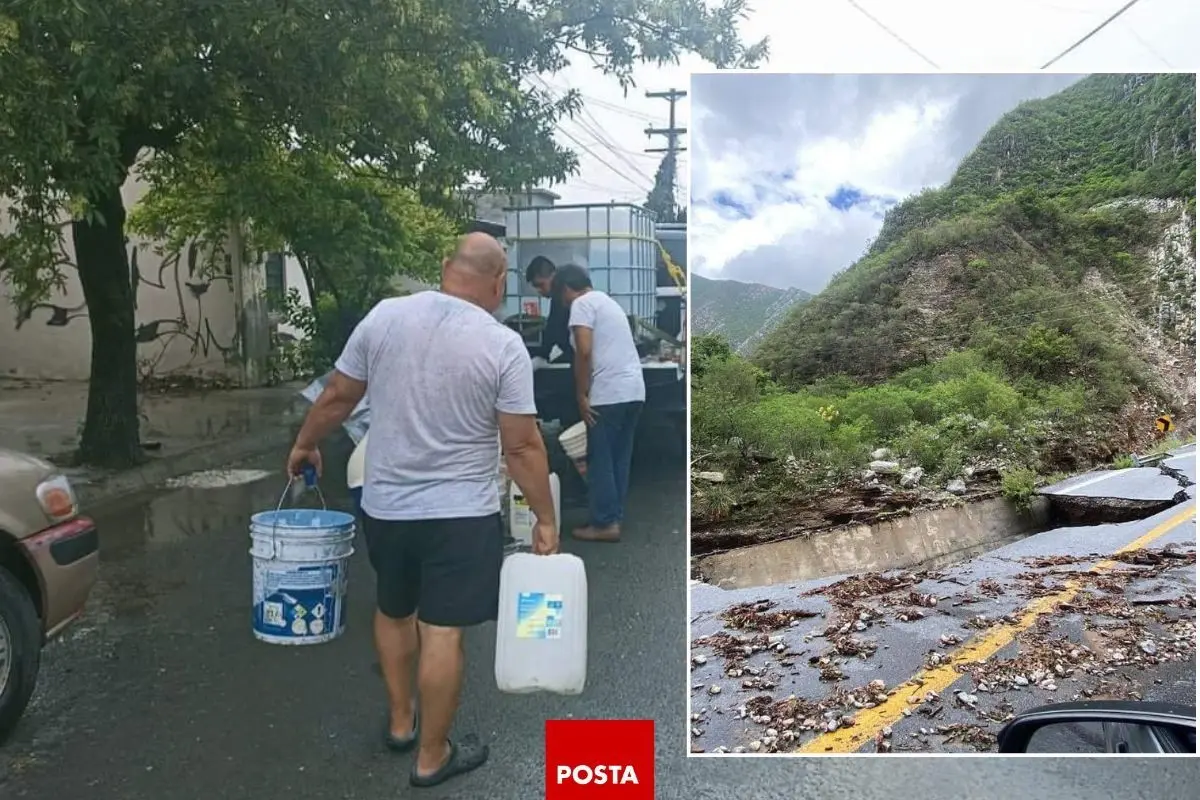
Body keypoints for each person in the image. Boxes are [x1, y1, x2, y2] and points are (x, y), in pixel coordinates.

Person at [286, 232, 560, 789]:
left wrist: (305, 442)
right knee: (443, 632)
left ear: (444, 268)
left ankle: (400, 720)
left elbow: (338, 395)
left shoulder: (385, 317)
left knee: (393, 610)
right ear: (499, 284)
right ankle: (433, 756)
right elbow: (523, 446)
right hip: (460, 514)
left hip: (386, 505)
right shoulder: (501, 344)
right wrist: (546, 518)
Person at [553, 263, 646, 544]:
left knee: (600, 458)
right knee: (619, 458)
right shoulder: (607, 302)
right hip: (633, 391)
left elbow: (584, 350)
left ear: (567, 289)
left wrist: (581, 395)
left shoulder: (581, 304)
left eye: (559, 295)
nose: (561, 302)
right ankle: (612, 515)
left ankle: (604, 522)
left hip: (609, 393)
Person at [524, 256, 573, 363]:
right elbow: (552, 330)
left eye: (541, 285)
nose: (539, 291)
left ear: (553, 276)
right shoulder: (557, 299)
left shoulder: (567, 299)